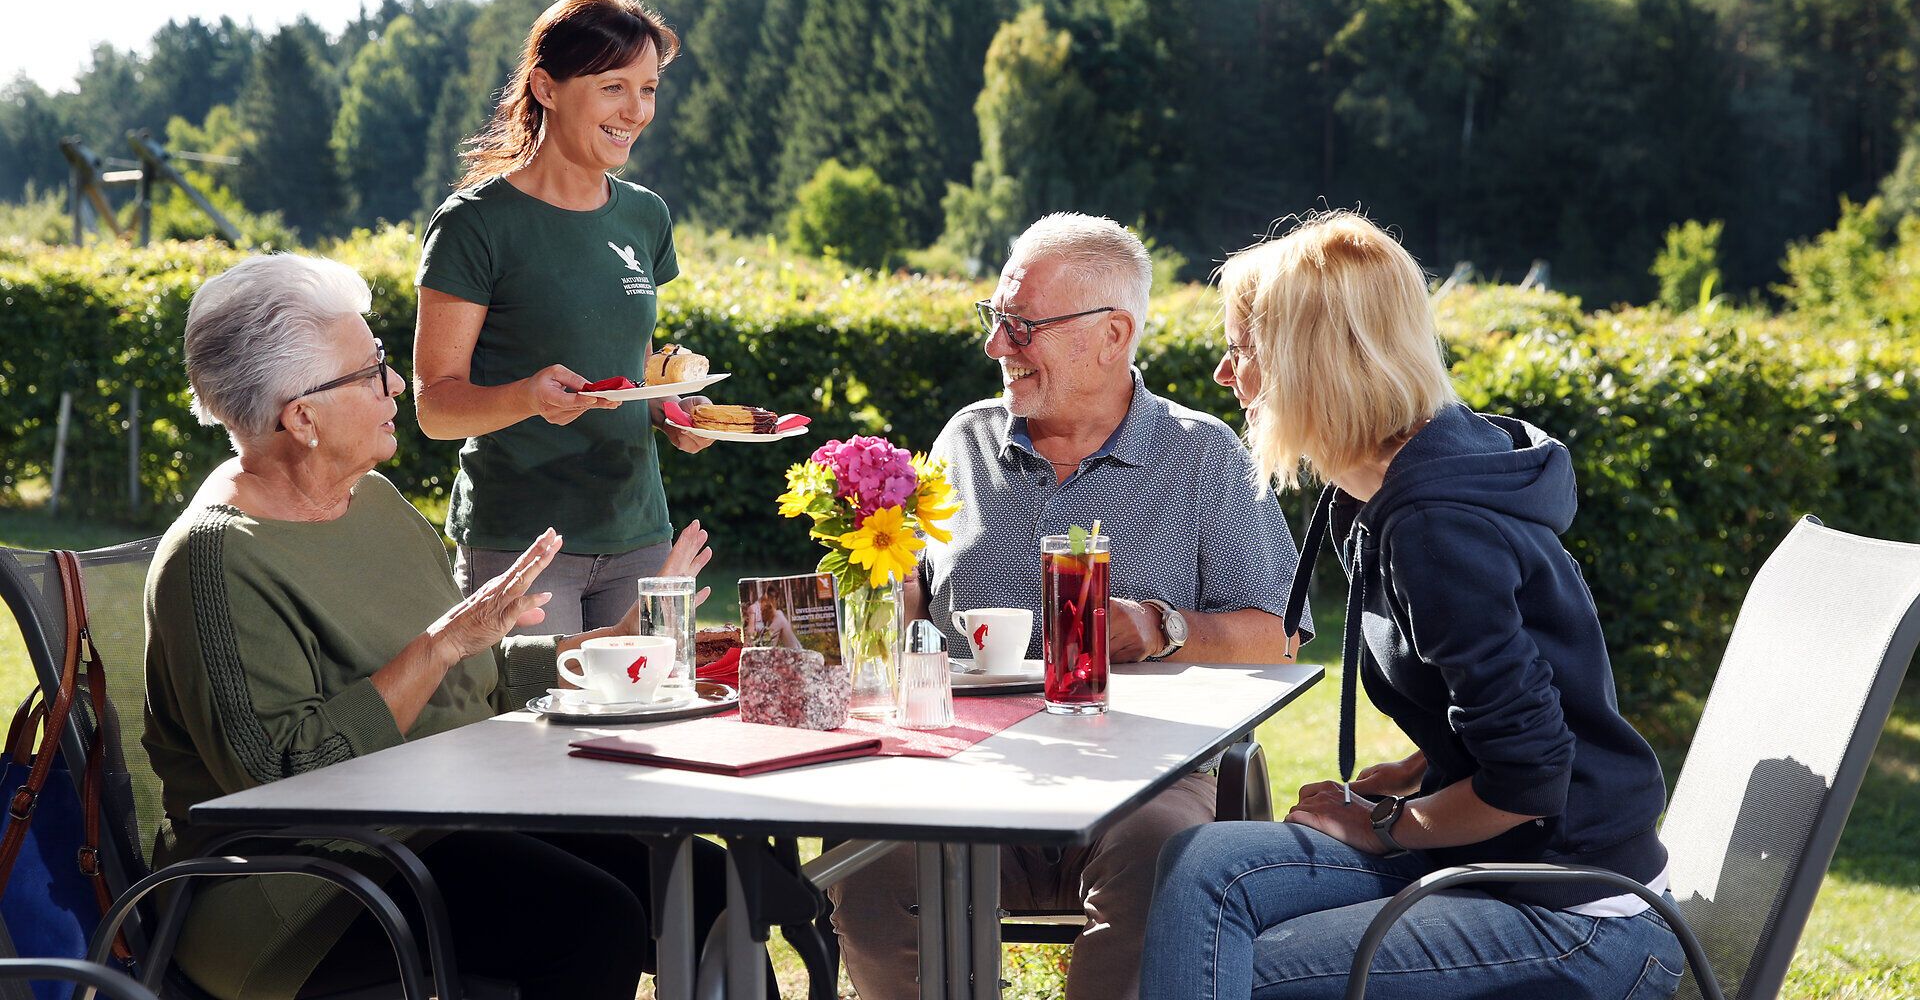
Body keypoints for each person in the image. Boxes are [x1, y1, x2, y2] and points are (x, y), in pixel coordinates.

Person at [143, 253, 729, 1000]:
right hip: (295, 894)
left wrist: (611, 644)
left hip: (432, 827)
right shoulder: (216, 558)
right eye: (367, 374)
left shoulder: (374, 501)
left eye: (381, 361)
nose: (393, 384)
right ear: (302, 417)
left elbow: (461, 674)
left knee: (706, 882)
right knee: (594, 922)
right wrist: (443, 641)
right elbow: (279, 776)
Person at [1140, 211, 1682, 1000]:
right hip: (1508, 867)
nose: (1227, 375)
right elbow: (1510, 699)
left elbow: (1532, 776)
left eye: (1241, 350)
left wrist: (1386, 826)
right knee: (1201, 866)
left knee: (1231, 967)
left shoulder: (1436, 526)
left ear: (1307, 361)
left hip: (1580, 916)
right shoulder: (1408, 488)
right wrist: (1417, 771)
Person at [831, 213, 1307, 1000]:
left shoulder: (1204, 454)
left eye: (1021, 326)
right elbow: (910, 597)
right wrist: (866, 583)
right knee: (874, 861)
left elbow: (1278, 635)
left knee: (1164, 854)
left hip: (1150, 774)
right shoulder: (965, 441)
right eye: (995, 321)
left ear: (1113, 334)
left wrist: (1164, 629)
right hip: (967, 772)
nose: (996, 346)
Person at [414, 0, 712, 635]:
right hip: (521, 543)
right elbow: (435, 407)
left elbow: (628, 364)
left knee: (648, 721)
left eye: (650, 89)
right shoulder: (476, 225)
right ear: (546, 87)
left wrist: (672, 413)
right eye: (613, 87)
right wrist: (529, 396)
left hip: (639, 532)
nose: (636, 111)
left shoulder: (644, 216)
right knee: (531, 726)